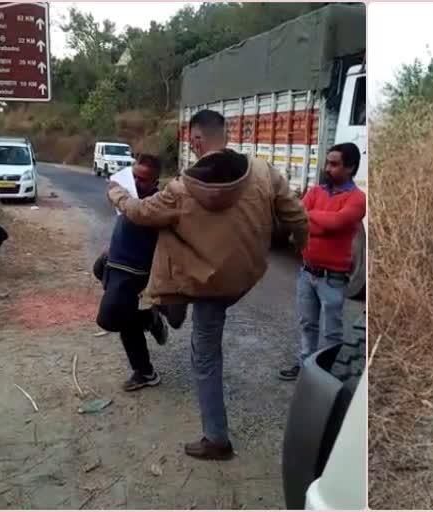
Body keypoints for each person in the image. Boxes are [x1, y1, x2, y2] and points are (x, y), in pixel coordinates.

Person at [107, 109, 308, 460]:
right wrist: (302, 247)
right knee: (195, 286)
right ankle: (170, 305)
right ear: (224, 135)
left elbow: (140, 213)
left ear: (197, 141)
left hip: (204, 286)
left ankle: (217, 439)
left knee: (206, 356)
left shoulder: (180, 189)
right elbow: (296, 215)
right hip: (243, 278)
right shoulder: (263, 171)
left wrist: (118, 197)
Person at [279, 142, 366, 381]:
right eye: (328, 162)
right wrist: (319, 223)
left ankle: (327, 376)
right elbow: (297, 220)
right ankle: (306, 366)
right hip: (307, 273)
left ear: (350, 168)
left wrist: (311, 219)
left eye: (335, 164)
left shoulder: (358, 199)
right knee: (307, 324)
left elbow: (337, 223)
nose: (328, 168)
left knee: (332, 332)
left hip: (333, 278)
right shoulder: (316, 191)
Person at [95, 154, 169, 392]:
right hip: (116, 261)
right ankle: (145, 371)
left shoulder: (154, 204)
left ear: (155, 182)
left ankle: (147, 318)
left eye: (144, 180)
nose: (137, 182)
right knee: (125, 315)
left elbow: (140, 216)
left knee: (109, 318)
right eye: (134, 176)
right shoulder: (130, 195)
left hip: (133, 270)